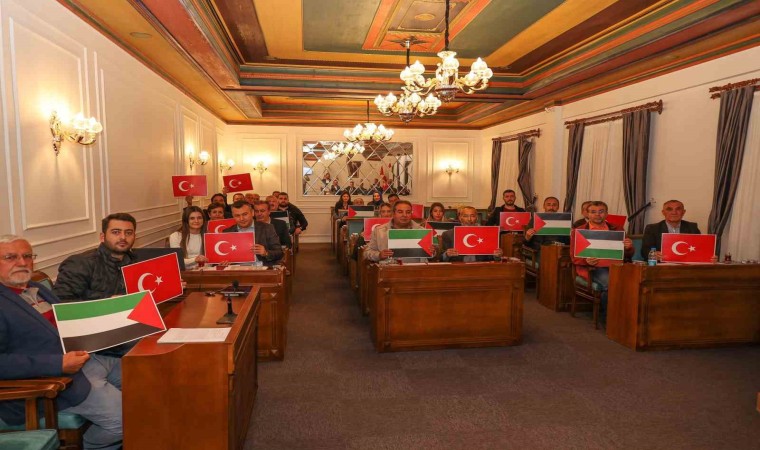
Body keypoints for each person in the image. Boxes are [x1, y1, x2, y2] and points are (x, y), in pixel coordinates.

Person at [0, 235, 123, 450]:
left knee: (144, 377)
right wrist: (58, 364)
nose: (22, 262)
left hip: (86, 360)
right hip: (54, 381)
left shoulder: (37, 288)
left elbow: (67, 321)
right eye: (10, 257)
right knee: (124, 419)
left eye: (27, 256)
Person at [571, 201, 634, 320]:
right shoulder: (579, 231)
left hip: (617, 267)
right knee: (611, 284)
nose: (597, 215)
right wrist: (586, 261)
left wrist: (628, 247)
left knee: (634, 283)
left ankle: (626, 317)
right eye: (593, 212)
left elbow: (628, 254)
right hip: (593, 268)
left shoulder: (617, 229)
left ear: (606, 213)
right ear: (587, 214)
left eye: (601, 211)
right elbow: (574, 258)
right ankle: (610, 319)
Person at [54, 213, 138, 301]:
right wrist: (108, 300)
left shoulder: (135, 261)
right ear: (102, 237)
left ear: (134, 237)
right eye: (116, 232)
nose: (123, 237)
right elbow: (62, 301)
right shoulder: (79, 263)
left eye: (128, 233)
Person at [365, 201, 435, 262]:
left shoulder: (421, 231)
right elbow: (367, 253)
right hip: (388, 270)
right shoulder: (379, 231)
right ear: (393, 213)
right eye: (400, 212)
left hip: (416, 270)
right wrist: (379, 255)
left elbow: (431, 256)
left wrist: (433, 252)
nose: (404, 215)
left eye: (408, 212)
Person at [222, 200, 283, 266]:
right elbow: (223, 257)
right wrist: (224, 262)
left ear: (252, 213)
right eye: (237, 215)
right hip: (236, 269)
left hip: (261, 269)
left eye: (245, 214)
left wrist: (266, 253)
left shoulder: (267, 228)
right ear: (233, 216)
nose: (241, 218)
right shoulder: (227, 232)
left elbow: (279, 253)